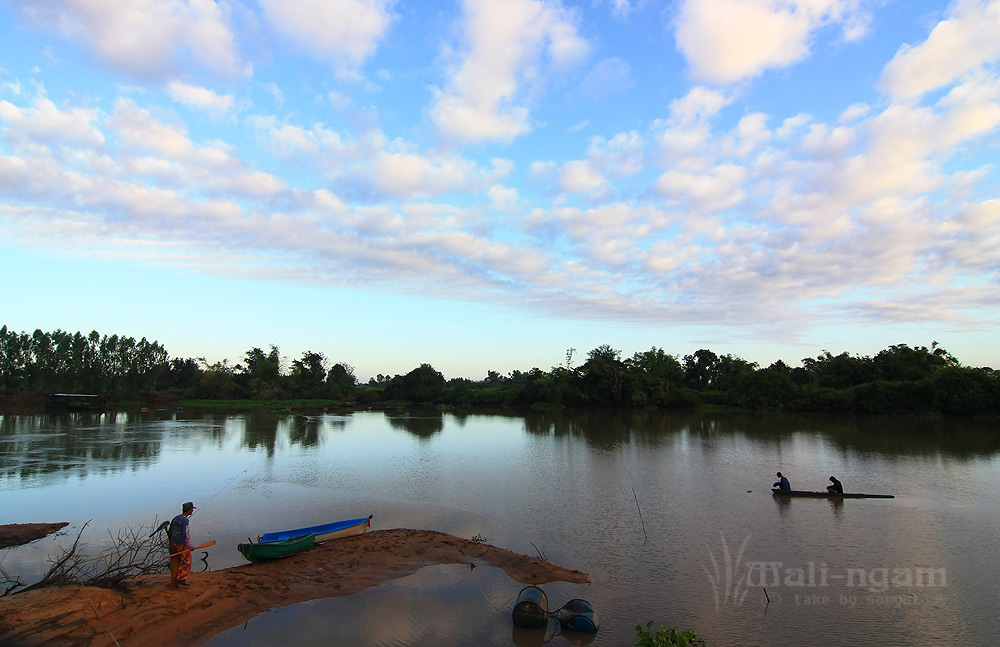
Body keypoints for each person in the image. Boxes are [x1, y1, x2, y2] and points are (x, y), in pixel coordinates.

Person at [168, 501, 196, 587]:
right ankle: (180, 578)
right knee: (187, 562)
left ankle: (175, 579)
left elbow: (170, 531)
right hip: (182, 544)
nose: (192, 511)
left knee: (176, 562)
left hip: (174, 543)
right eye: (191, 509)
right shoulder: (185, 520)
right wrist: (190, 546)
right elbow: (185, 535)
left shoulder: (176, 518)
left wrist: (172, 542)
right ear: (189, 510)